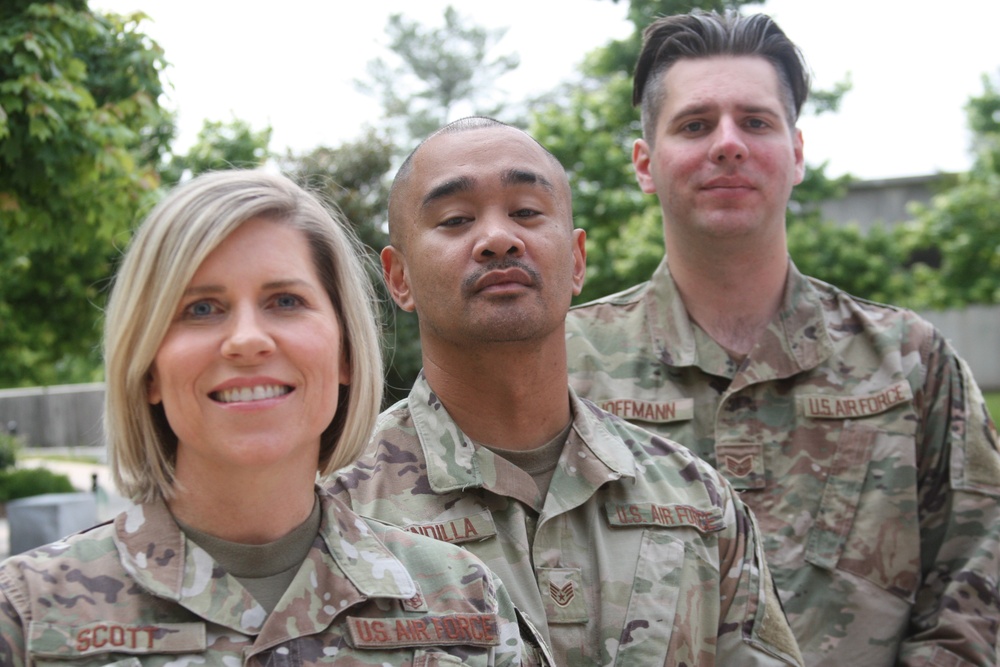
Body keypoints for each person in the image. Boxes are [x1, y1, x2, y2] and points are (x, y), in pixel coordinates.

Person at [564, 10, 1000, 667]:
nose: (728, 144)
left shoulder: (910, 361)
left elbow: (977, 589)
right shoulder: (564, 367)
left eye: (756, 121)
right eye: (695, 124)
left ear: (796, 154)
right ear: (645, 164)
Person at [0, 169, 550, 666]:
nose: (246, 340)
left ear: (344, 353)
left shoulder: (466, 603)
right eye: (201, 309)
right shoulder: (27, 615)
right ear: (147, 368)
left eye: (285, 301)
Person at [329, 116, 802, 666]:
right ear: (399, 277)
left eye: (527, 212)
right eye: (456, 219)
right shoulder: (335, 511)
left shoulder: (698, 503)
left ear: (577, 261)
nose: (499, 238)